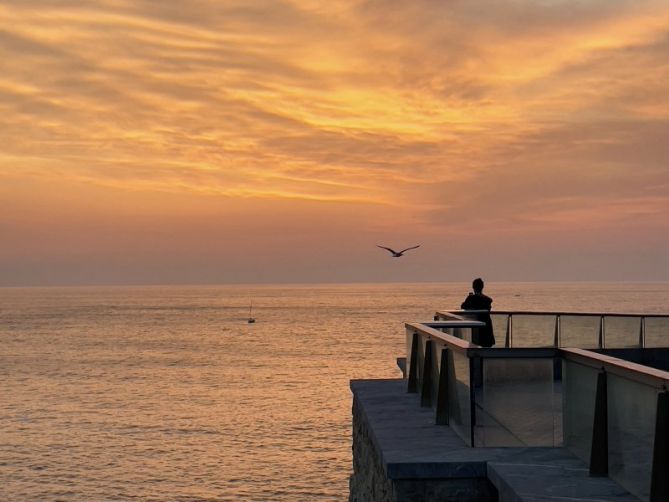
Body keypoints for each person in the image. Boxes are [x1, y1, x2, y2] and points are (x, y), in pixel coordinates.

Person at [461, 278, 495, 347]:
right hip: (487, 326)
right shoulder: (487, 300)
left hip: (477, 328)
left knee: (476, 348)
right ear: (482, 287)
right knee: (487, 347)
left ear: (473, 287)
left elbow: (463, 306)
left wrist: (470, 297)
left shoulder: (471, 298)